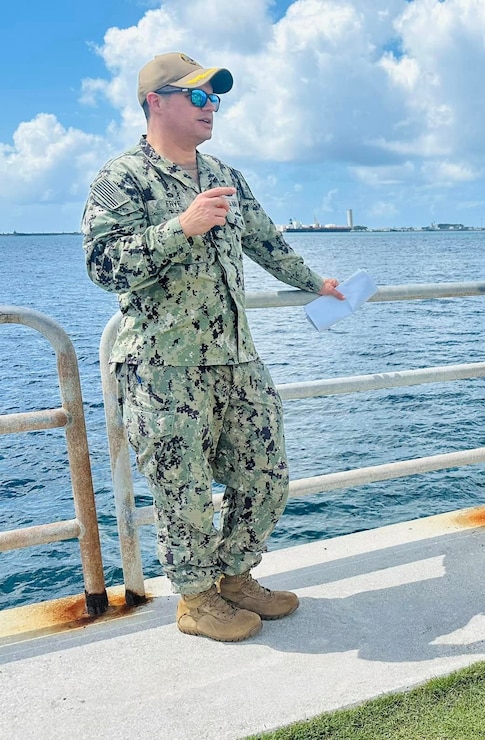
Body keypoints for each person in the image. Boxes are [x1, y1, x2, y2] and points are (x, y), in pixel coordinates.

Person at [83, 52, 345, 642]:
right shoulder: (120, 177)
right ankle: (197, 600)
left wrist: (316, 283)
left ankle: (234, 576)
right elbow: (103, 266)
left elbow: (266, 240)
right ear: (156, 102)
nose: (212, 107)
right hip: (163, 366)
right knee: (186, 490)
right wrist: (183, 225)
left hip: (236, 357)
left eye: (215, 97)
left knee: (266, 473)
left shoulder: (224, 173)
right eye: (198, 96)